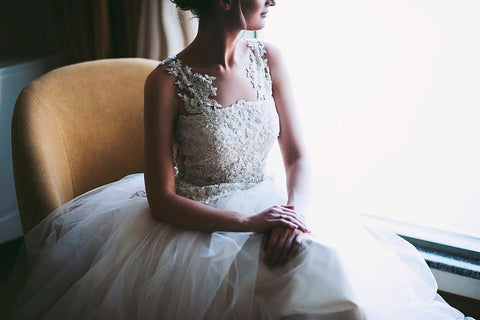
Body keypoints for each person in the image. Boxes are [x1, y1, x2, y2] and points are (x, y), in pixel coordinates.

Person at [7, 0, 474, 319]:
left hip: (274, 208)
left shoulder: (269, 58)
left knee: (331, 269)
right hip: (201, 225)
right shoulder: (167, 82)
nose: (275, 0)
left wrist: (294, 216)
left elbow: (297, 155)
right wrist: (249, 223)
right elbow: (161, 200)